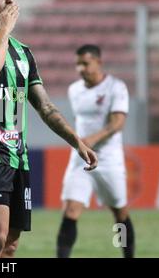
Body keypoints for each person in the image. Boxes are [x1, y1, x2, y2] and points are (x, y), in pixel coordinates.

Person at [0, 0, 98, 258]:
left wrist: (76, 141)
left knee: (9, 245)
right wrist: (3, 30)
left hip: (17, 156)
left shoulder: (23, 53)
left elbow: (45, 107)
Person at [56, 44, 135, 258]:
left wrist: (89, 140)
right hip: (80, 159)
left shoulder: (116, 87)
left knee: (120, 212)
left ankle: (128, 255)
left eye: (85, 63)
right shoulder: (74, 90)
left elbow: (118, 123)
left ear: (98, 62)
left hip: (109, 160)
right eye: (78, 64)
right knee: (70, 211)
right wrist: (82, 145)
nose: (81, 68)